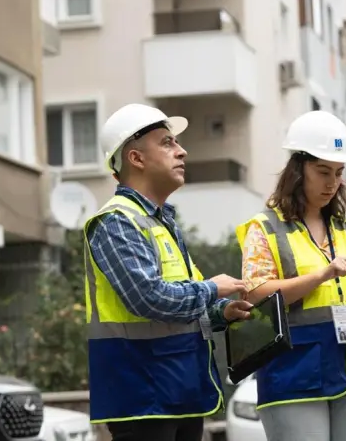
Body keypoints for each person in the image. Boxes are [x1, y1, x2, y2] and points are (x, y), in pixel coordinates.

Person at [83, 103, 253, 441]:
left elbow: (181, 308)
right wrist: (212, 290)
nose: (182, 151)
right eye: (167, 142)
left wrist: (221, 313)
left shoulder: (160, 222)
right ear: (136, 158)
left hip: (177, 391)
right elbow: (149, 299)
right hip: (142, 397)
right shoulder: (117, 221)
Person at [235, 110, 346, 441]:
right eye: (323, 171)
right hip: (295, 374)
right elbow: (256, 294)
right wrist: (323, 274)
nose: (332, 182)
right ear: (298, 170)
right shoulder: (265, 228)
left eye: (339, 173)